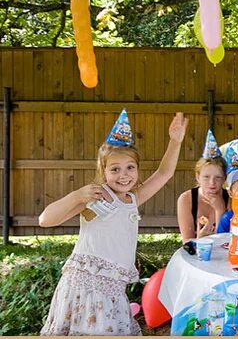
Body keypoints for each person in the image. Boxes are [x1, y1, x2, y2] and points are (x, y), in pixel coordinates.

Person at [39, 110, 188, 335]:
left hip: (113, 290)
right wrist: (77, 195)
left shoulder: (133, 198)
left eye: (130, 167)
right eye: (115, 169)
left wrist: (175, 142)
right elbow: (45, 220)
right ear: (103, 171)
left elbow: (164, 173)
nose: (124, 175)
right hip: (85, 288)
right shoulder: (96, 196)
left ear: (137, 169)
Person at [177, 129, 229, 243]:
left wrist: (220, 210)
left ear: (224, 178)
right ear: (197, 177)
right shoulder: (187, 199)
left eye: (218, 178)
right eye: (206, 177)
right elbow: (186, 242)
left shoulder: (230, 199)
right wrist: (200, 239)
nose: (212, 183)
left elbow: (226, 240)